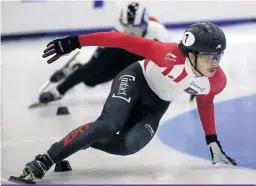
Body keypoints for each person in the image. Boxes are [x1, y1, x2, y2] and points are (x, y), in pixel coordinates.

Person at [18, 21, 237, 182]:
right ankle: (46, 159)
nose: (215, 62)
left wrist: (212, 140)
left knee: (128, 146)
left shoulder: (217, 81)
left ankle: (84, 139)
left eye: (219, 56)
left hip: (157, 105)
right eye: (209, 56)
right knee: (109, 124)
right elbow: (122, 40)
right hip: (135, 79)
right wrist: (74, 42)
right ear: (191, 54)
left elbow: (205, 103)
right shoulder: (165, 53)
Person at [38, 2, 171, 104]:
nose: (132, 33)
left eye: (137, 28)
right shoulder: (118, 31)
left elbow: (172, 61)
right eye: (127, 28)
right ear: (121, 25)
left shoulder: (158, 32)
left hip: (133, 58)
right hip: (119, 50)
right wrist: (74, 43)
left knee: (90, 82)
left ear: (146, 24)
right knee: (92, 68)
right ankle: (58, 91)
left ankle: (75, 68)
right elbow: (97, 47)